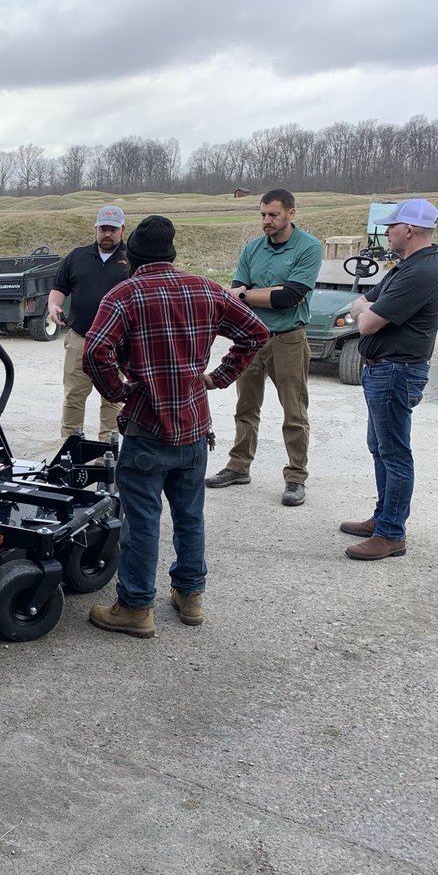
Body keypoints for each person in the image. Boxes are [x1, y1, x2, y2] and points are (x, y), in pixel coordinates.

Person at [82, 216, 269, 637]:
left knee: (143, 519)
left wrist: (119, 391)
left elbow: (95, 351)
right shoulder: (206, 288)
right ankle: (190, 596)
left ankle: (135, 607)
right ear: (172, 253)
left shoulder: (124, 294)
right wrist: (218, 377)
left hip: (147, 426)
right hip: (194, 425)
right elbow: (255, 332)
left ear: (130, 256)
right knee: (190, 515)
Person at [341, 198, 438, 561]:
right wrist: (366, 309)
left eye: (391, 227)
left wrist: (366, 312)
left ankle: (391, 534)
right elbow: (360, 303)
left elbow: (366, 319)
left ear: (409, 230)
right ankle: (383, 518)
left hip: (396, 371)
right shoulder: (407, 267)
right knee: (381, 448)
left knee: (395, 453)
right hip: (385, 370)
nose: (386, 232)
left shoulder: (421, 273)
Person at [206, 188, 322, 507]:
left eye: (273, 215)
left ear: (290, 213)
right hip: (252, 338)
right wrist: (250, 293)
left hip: (288, 338)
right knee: (245, 406)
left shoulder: (309, 248)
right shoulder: (252, 249)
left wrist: (247, 295)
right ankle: (238, 466)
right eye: (262, 215)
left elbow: (289, 297)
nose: (266, 221)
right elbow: (235, 289)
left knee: (294, 411)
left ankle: (296, 476)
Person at [47, 205, 130, 442]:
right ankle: (70, 449)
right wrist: (53, 306)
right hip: (80, 338)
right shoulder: (77, 256)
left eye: (113, 229)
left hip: (117, 344)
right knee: (74, 396)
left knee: (113, 399)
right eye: (103, 228)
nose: (107, 234)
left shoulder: (131, 259)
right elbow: (59, 289)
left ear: (122, 229)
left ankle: (106, 450)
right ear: (95, 228)